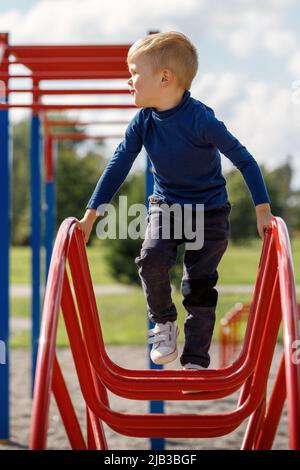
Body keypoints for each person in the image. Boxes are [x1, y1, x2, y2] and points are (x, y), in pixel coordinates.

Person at [77, 31, 273, 370]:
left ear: (165, 78)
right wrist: (90, 215)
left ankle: (196, 357)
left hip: (209, 212)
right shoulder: (143, 122)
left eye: (134, 72)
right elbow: (119, 163)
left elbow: (244, 160)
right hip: (166, 207)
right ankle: (164, 323)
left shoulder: (201, 119)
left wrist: (262, 210)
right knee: (151, 258)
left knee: (198, 284)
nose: (129, 81)